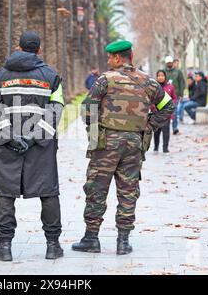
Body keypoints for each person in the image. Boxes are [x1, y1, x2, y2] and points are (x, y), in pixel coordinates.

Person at [72, 40, 174, 255]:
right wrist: (148, 126)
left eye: (110, 58)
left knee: (96, 189)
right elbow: (168, 106)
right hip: (134, 145)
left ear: (118, 58)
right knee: (128, 191)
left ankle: (91, 238)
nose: (108, 61)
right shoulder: (149, 82)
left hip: (106, 144)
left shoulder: (105, 80)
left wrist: (95, 135)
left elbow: (87, 108)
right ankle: (123, 241)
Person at [0, 31, 65, 261]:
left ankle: (4, 247)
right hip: (40, 146)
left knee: (5, 192)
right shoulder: (51, 75)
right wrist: (33, 137)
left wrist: (12, 136)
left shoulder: (1, 75)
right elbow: (57, 108)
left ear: (19, 47)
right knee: (48, 192)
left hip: (8, 145)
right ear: (38, 50)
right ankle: (53, 246)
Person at [153, 70, 177, 154]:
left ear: (165, 77)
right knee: (156, 131)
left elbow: (174, 97)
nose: (160, 77)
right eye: (159, 75)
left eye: (162, 75)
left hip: (166, 113)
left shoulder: (170, 86)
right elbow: (150, 99)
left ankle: (165, 148)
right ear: (156, 77)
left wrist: (171, 106)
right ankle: (156, 147)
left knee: (166, 131)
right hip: (156, 113)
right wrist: (153, 109)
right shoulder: (154, 87)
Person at [164, 56, 185, 135]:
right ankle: (165, 128)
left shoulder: (178, 72)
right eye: (167, 63)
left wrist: (181, 94)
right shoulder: (163, 72)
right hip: (165, 96)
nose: (169, 64)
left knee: (175, 112)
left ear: (172, 62)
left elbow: (181, 83)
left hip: (175, 95)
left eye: (170, 62)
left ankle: (175, 128)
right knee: (165, 113)